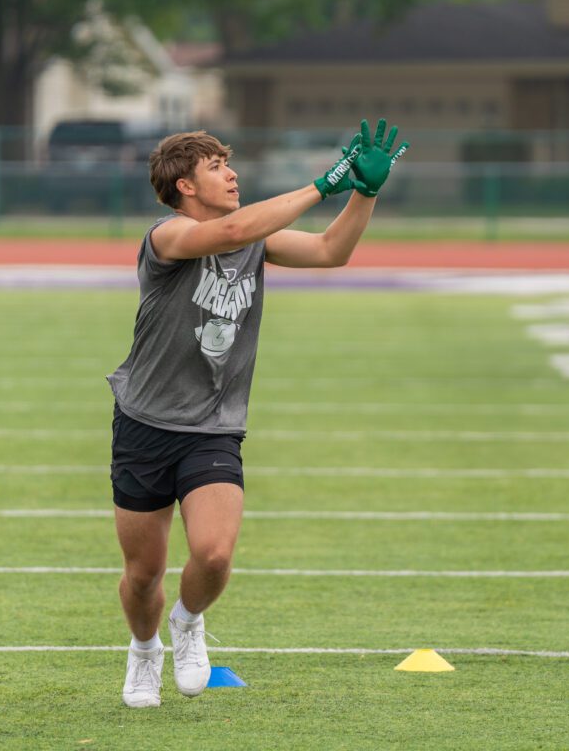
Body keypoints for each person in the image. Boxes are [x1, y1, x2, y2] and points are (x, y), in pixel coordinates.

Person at [107, 119, 407, 708]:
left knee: (214, 554)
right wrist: (328, 181)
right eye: (217, 167)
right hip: (144, 424)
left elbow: (330, 251)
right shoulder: (167, 236)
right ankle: (143, 651)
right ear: (185, 187)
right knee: (143, 576)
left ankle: (188, 624)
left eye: (229, 163)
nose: (232, 173)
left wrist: (364, 194)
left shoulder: (253, 241)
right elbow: (236, 229)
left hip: (215, 425)